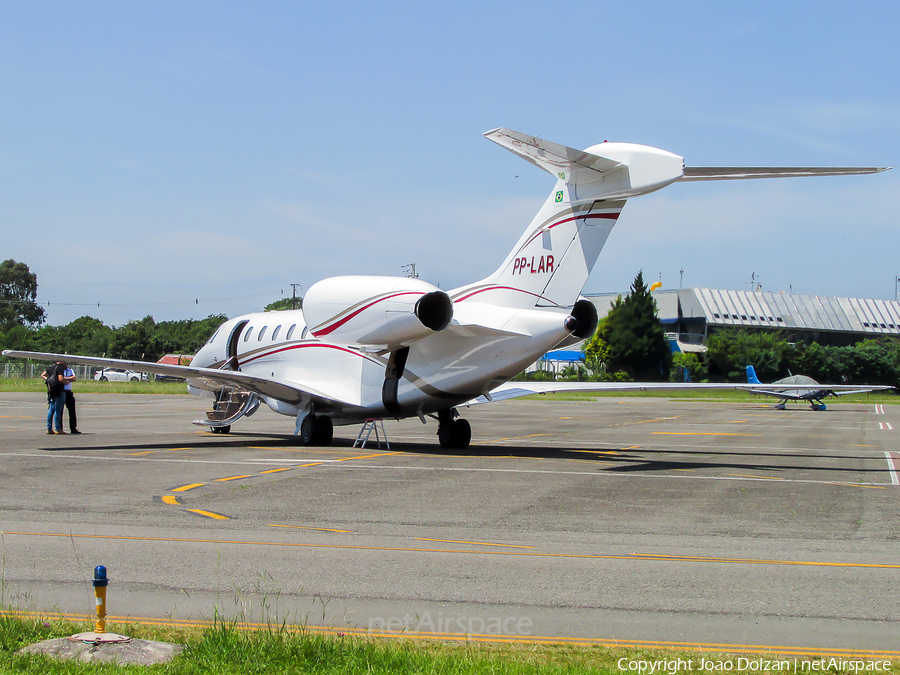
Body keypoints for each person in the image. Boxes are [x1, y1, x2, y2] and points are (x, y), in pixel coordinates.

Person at [41, 361, 66, 434]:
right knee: (58, 410)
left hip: (52, 391)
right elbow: (60, 378)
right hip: (59, 390)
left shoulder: (50, 368)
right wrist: (66, 382)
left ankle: (49, 428)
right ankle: (58, 429)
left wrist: (47, 379)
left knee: (51, 409)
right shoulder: (60, 368)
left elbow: (42, 374)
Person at [62, 362, 81, 434]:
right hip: (61, 391)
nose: (66, 364)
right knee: (59, 411)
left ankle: (73, 428)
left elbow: (74, 378)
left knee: (72, 410)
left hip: (68, 392)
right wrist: (67, 379)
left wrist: (65, 378)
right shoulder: (59, 370)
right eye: (65, 363)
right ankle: (59, 428)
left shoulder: (70, 370)